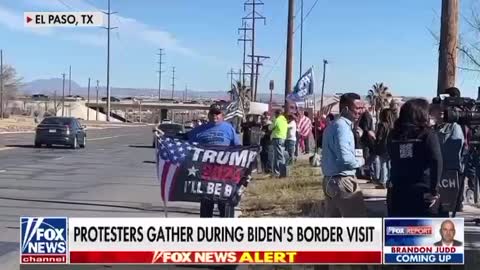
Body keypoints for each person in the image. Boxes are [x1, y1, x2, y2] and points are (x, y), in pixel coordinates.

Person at [387, 99, 443, 217]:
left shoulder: (393, 135)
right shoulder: (427, 134)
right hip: (422, 191)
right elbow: (436, 160)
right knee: (425, 231)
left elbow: (394, 157)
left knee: (399, 230)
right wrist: (434, 190)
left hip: (398, 190)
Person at [188, 104, 241, 218]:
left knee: (224, 203)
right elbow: (184, 139)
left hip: (225, 173)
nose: (215, 116)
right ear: (209, 115)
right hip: (206, 173)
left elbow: (238, 148)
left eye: (217, 113)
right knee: (207, 203)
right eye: (212, 113)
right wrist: (164, 136)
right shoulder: (199, 130)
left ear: (222, 115)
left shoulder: (229, 128)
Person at [321, 93, 367, 217]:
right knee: (357, 222)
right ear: (346, 109)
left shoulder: (332, 126)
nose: (360, 112)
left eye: (361, 108)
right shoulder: (343, 128)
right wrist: (361, 161)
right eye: (356, 109)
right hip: (343, 181)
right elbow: (345, 159)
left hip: (329, 180)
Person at [430, 102, 465, 214]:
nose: (441, 110)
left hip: (448, 174)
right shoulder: (430, 129)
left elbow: (454, 150)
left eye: (443, 108)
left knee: (444, 208)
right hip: (433, 173)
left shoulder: (454, 127)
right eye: (437, 108)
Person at [373, 108, 395, 189]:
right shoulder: (393, 125)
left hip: (383, 146)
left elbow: (379, 137)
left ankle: (383, 182)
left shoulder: (382, 124)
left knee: (383, 164)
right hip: (392, 146)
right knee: (389, 165)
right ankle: (389, 181)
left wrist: (376, 144)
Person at [270, 109, 288, 177]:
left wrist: (271, 124)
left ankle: (283, 172)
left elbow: (270, 127)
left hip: (277, 138)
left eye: (275, 114)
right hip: (283, 138)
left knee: (279, 156)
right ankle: (276, 172)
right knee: (276, 156)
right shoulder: (284, 120)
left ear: (277, 114)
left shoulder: (277, 120)